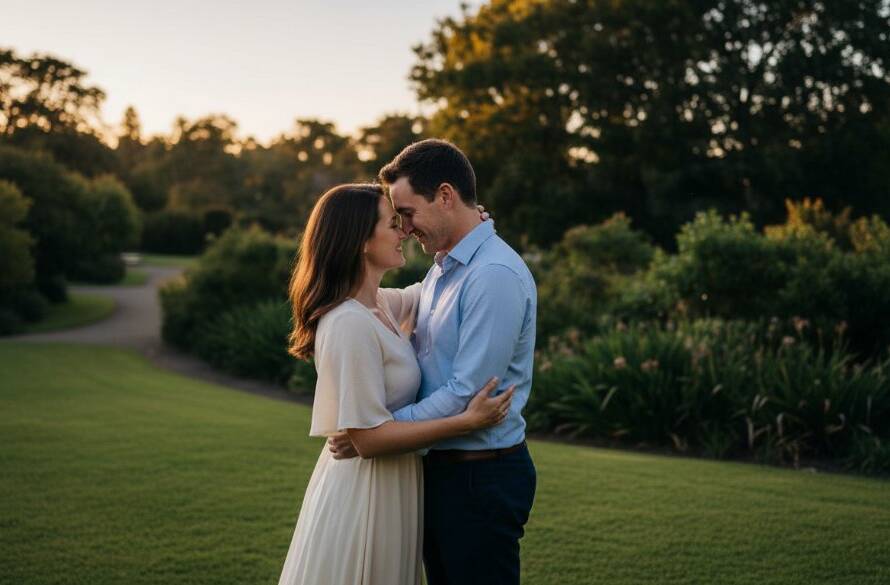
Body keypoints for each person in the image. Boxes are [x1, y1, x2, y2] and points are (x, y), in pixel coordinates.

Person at [276, 183, 514, 585]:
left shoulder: (382, 305)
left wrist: (467, 230)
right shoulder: (348, 322)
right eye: (392, 223)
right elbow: (368, 441)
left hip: (395, 482)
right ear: (361, 241)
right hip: (366, 493)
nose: (404, 231)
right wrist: (465, 422)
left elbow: (436, 287)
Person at [330, 139, 537, 585]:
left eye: (407, 213)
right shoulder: (445, 267)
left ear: (445, 196)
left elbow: (467, 393)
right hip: (443, 470)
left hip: (479, 477)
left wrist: (379, 432)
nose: (404, 229)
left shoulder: (492, 276)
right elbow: (372, 304)